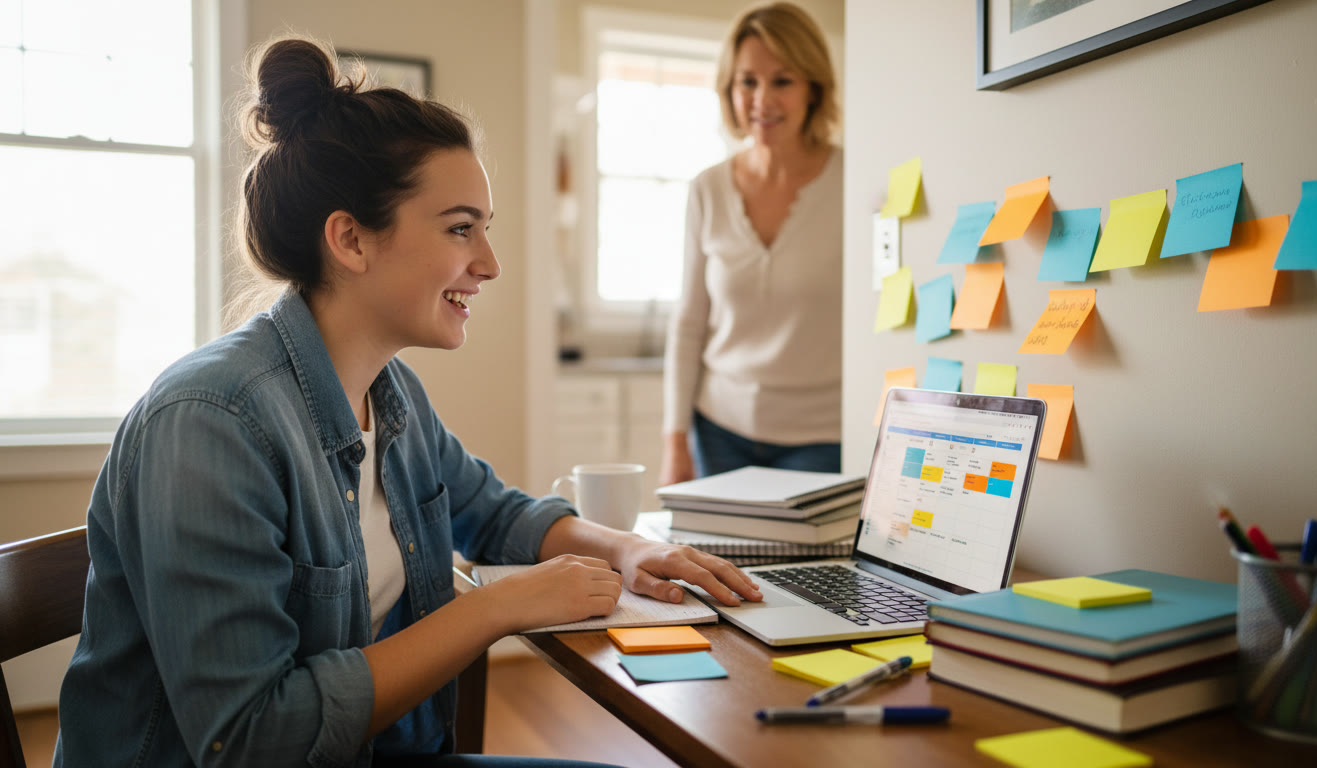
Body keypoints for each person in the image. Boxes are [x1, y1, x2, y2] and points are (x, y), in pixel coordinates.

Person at [53, 37, 760, 768]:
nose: (488, 263)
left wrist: (633, 548)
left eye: (486, 229)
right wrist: (498, 608)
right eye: (461, 228)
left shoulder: (391, 395)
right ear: (351, 240)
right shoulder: (210, 423)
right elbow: (253, 738)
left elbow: (494, 512)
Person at [661, 2, 843, 486]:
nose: (762, 99)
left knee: (802, 565)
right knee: (714, 563)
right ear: (729, 89)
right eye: (747, 81)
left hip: (823, 438)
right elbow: (689, 323)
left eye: (782, 80)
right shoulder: (707, 188)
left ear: (812, 87)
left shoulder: (855, 180)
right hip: (718, 430)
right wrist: (674, 440)